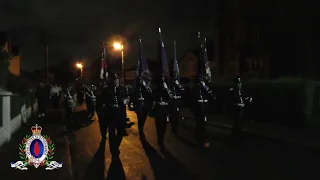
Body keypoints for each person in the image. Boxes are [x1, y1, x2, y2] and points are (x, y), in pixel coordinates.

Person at [100, 72, 129, 155]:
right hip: (110, 113)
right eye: (114, 79)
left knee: (121, 131)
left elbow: (127, 97)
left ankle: (115, 145)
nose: (115, 81)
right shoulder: (106, 89)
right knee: (112, 132)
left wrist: (126, 100)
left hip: (120, 113)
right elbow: (102, 101)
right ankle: (113, 150)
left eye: (116, 79)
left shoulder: (123, 88)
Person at [192, 75, 213, 148]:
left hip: (204, 110)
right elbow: (192, 100)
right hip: (198, 110)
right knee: (199, 126)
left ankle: (204, 140)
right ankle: (199, 140)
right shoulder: (194, 89)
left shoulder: (204, 89)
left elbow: (211, 94)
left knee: (204, 125)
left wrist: (205, 87)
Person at [153, 76, 173, 152]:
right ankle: (160, 140)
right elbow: (153, 98)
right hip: (158, 111)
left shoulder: (166, 90)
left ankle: (161, 139)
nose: (162, 83)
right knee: (159, 127)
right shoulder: (155, 90)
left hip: (164, 111)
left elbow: (170, 98)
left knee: (164, 127)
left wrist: (167, 89)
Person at [132, 75, 153, 139]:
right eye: (140, 80)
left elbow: (150, 96)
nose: (141, 81)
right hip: (139, 107)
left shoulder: (146, 88)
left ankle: (141, 129)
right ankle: (141, 131)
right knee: (140, 120)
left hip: (145, 107)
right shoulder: (136, 89)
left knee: (143, 120)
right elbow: (133, 97)